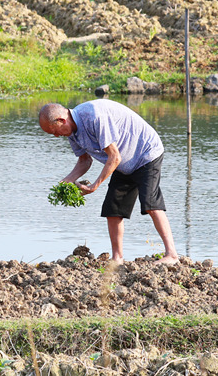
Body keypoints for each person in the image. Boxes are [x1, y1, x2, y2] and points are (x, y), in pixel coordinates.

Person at [39, 99, 179, 265]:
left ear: (62, 120)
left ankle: (172, 255)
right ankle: (117, 258)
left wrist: (95, 185)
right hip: (123, 162)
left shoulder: (93, 117)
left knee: (150, 203)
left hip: (145, 153)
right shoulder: (72, 132)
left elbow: (114, 157)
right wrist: (68, 180)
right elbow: (85, 161)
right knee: (113, 209)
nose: (56, 136)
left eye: (55, 131)